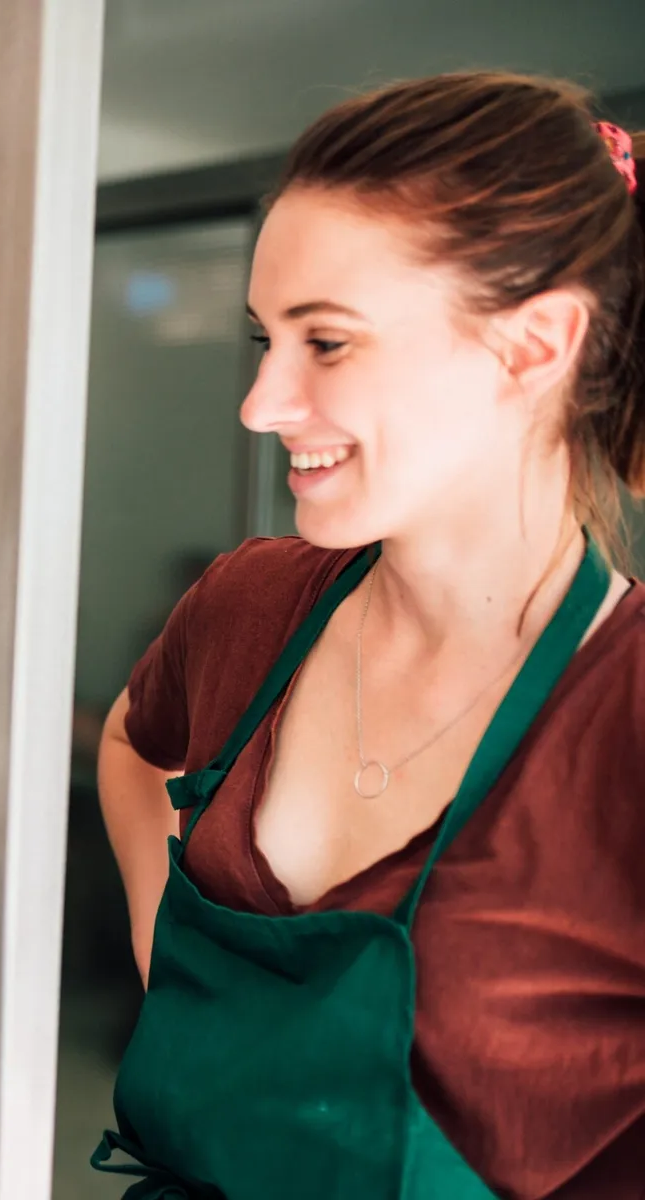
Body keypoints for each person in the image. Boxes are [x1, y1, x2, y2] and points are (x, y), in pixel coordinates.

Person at [93, 73, 645, 1199]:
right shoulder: (251, 605)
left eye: (327, 343)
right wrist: (173, 969)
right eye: (265, 337)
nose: (259, 402)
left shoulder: (624, 711)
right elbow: (132, 747)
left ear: (534, 347)